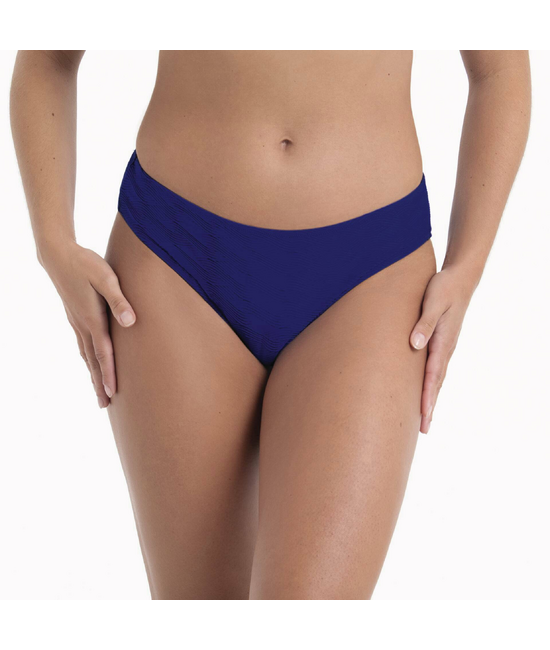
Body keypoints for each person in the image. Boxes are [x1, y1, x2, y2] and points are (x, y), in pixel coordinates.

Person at [10, 50, 531, 600]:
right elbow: (48, 57)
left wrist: (468, 265)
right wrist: (52, 240)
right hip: (177, 257)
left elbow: (499, 69)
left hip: (371, 272)